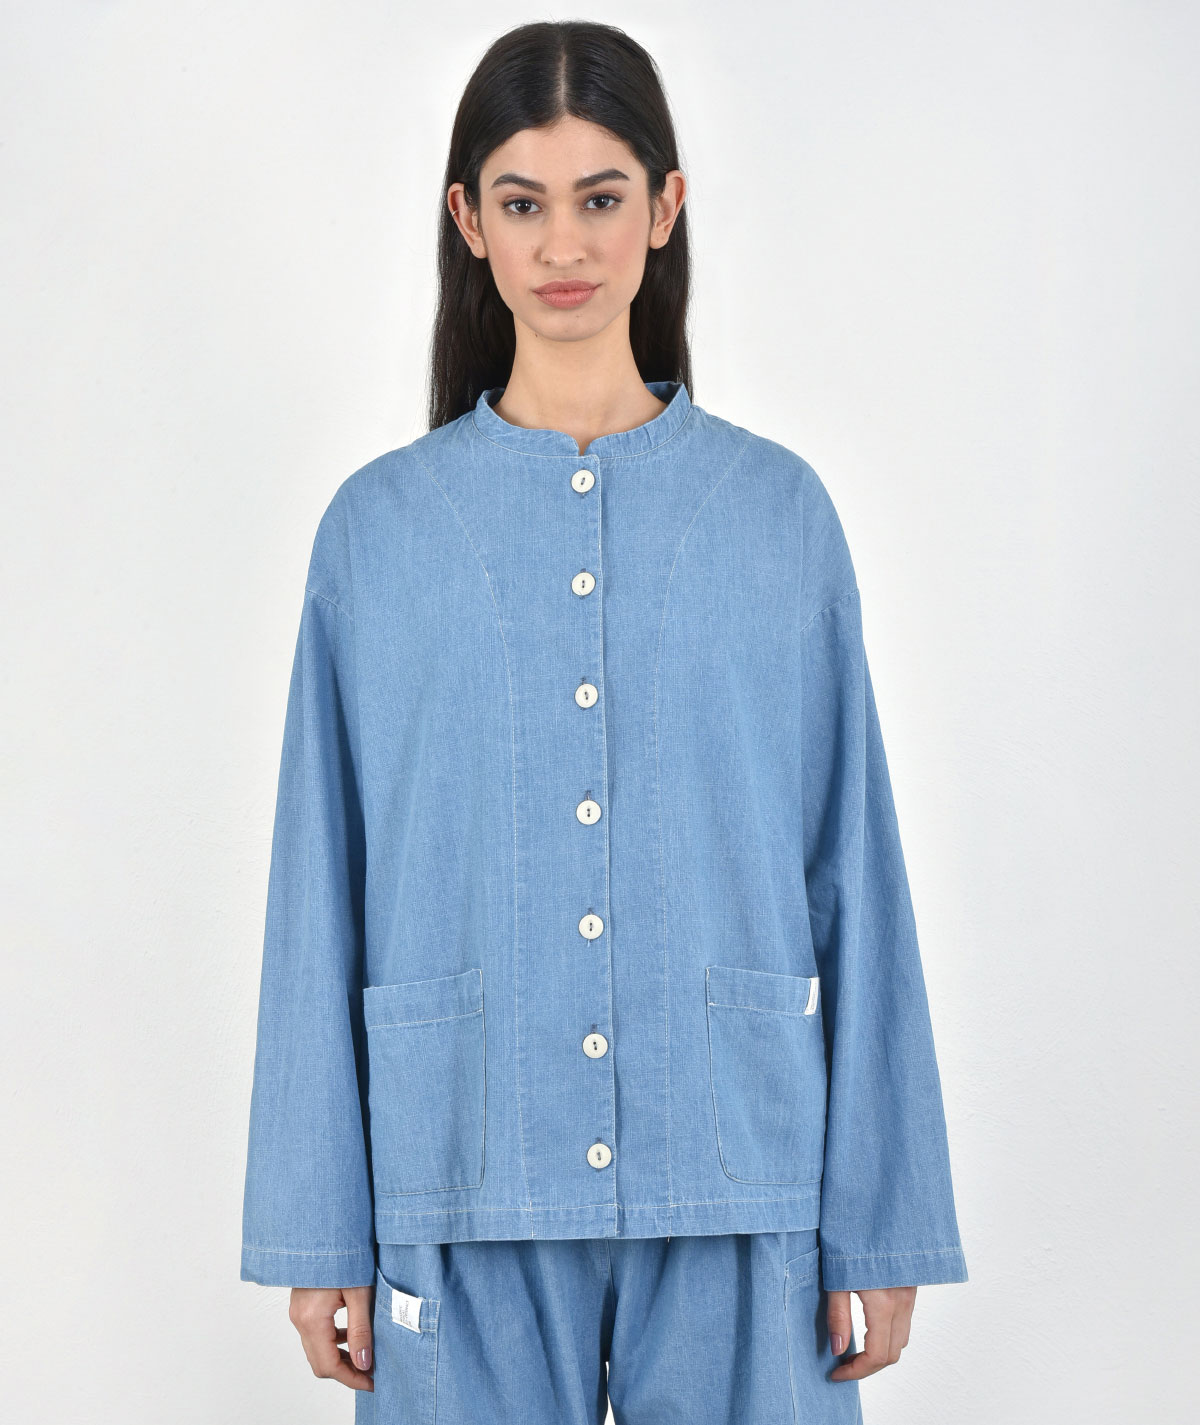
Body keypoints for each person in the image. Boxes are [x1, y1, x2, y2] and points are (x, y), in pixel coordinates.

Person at [240, 19, 967, 1424]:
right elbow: (317, 887)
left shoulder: (779, 518)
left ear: (666, 207)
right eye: (522, 203)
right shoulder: (377, 535)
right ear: (469, 221)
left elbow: (855, 873)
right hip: (458, 1168)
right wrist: (315, 1225)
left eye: (601, 197)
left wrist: (882, 1219)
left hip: (743, 1169)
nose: (563, 244)